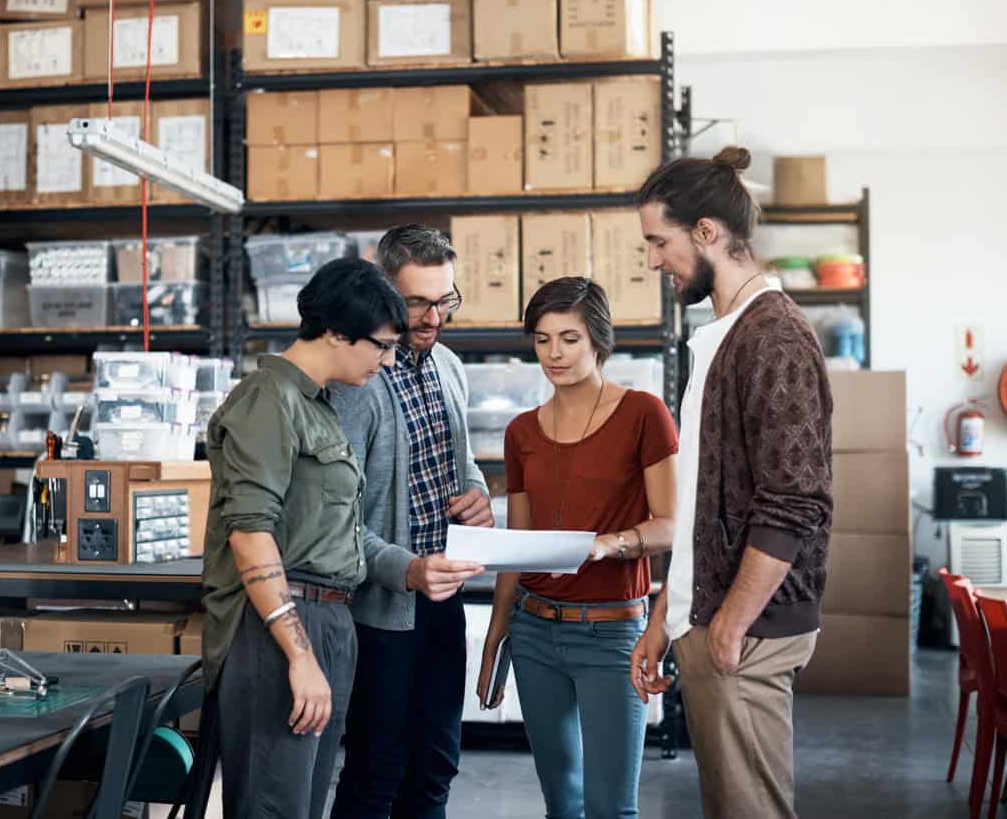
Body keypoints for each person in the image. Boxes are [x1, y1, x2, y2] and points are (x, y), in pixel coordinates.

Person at [629, 146, 834, 819]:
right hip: (712, 617)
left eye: (660, 240)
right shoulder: (722, 334)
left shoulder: (773, 337)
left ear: (708, 232)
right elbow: (700, 505)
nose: (654, 260)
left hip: (749, 627)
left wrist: (732, 622)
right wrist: (666, 616)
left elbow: (794, 497)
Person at [201, 257, 408, 819]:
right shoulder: (269, 400)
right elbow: (250, 534)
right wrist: (298, 653)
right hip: (278, 624)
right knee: (275, 806)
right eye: (381, 346)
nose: (388, 361)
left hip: (330, 617)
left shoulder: (317, 406)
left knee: (303, 804)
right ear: (337, 331)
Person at [474, 277, 678, 819]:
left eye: (569, 338)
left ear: (598, 340)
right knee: (561, 803)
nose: (554, 353)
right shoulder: (520, 432)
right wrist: (497, 634)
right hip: (535, 630)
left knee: (611, 807)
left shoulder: (643, 414)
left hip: (611, 634)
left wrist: (612, 544)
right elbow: (519, 543)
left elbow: (672, 526)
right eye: (542, 340)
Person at [329, 224, 491, 819]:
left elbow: (463, 463)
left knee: (437, 765)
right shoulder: (358, 382)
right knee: (378, 771)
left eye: (444, 300)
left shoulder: (447, 365)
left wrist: (475, 493)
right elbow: (333, 523)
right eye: (417, 302)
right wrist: (408, 570)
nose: (432, 318)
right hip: (378, 612)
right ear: (383, 289)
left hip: (443, 599)